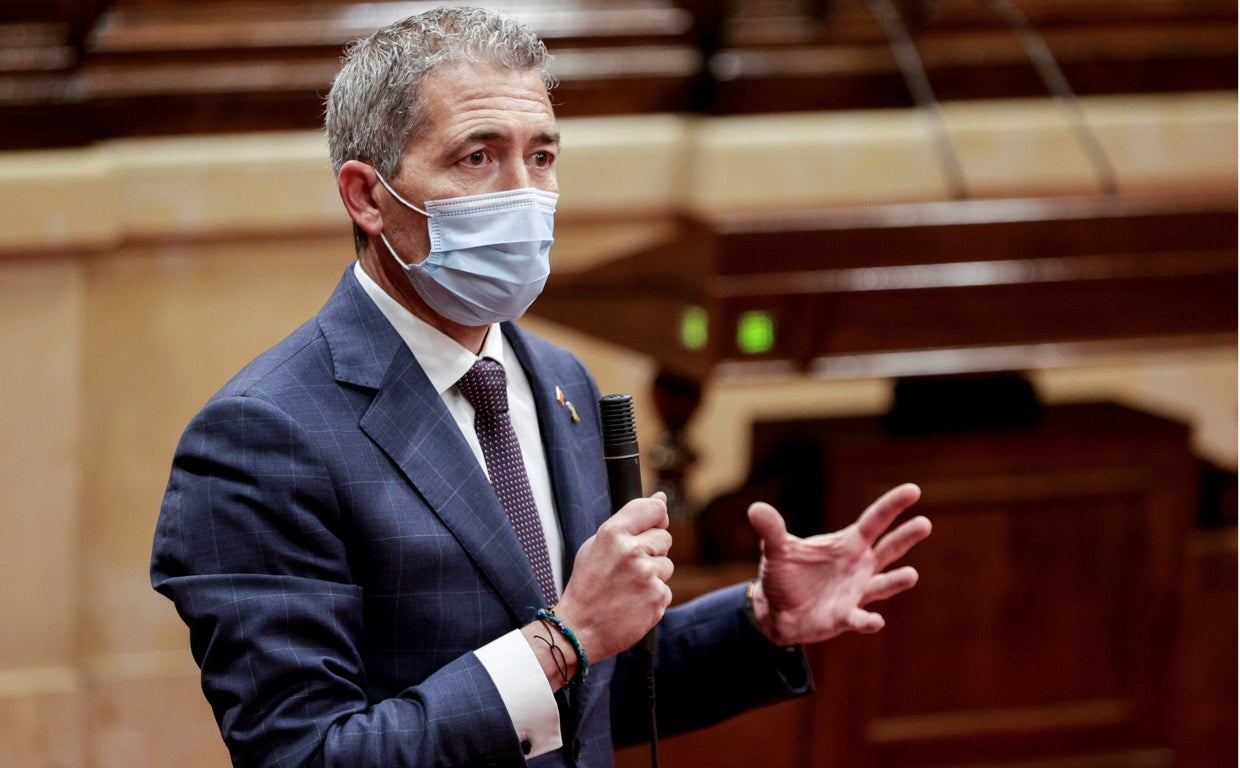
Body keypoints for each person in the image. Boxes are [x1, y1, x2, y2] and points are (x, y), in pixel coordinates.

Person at [150, 6, 932, 767]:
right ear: (367, 196)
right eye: (477, 157)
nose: (524, 194)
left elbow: (585, 697)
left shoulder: (560, 382)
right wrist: (564, 639)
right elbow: (307, 753)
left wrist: (760, 620)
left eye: (542, 157)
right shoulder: (262, 437)